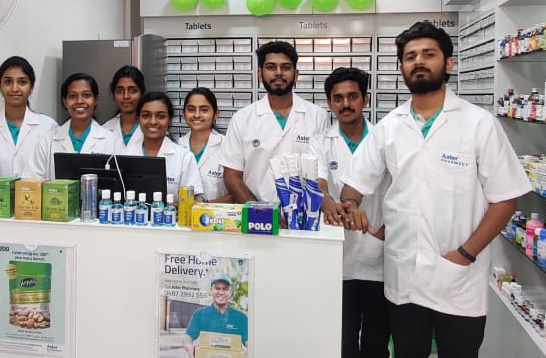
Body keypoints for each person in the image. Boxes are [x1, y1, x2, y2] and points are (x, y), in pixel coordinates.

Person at [339, 21, 530, 358]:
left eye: (429, 54)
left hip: (459, 278)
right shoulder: (389, 127)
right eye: (410, 56)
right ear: (401, 68)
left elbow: (505, 199)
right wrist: (352, 204)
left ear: (448, 63)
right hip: (404, 278)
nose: (419, 61)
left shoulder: (478, 123)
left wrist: (466, 253)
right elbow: (355, 184)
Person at [311, 67, 390, 358]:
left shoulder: (385, 138)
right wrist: (328, 201)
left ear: (365, 99)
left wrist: (385, 233)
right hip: (338, 256)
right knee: (340, 342)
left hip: (379, 257)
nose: (345, 104)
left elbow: (400, 193)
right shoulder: (321, 142)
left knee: (376, 343)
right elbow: (318, 182)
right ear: (330, 103)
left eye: (352, 96)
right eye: (338, 98)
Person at [220, 41, 328, 203]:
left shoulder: (317, 116)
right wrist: (262, 211)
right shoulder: (242, 119)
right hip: (256, 218)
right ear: (260, 73)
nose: (278, 73)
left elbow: (320, 173)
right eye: (271, 67)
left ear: (296, 74)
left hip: (304, 217)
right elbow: (232, 176)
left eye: (285, 67)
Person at [0, 56, 57, 203]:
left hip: (36, 212)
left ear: (31, 87)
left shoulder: (48, 126)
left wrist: (27, 205)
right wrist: (4, 203)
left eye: (22, 82)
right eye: (8, 82)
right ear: (0, 86)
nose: (15, 88)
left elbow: (54, 177)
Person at [27, 73, 117, 179]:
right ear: (64, 101)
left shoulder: (112, 140)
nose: (79, 101)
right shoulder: (47, 140)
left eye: (86, 95)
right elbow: (32, 181)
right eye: (72, 96)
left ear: (96, 100)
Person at [124, 92, 204, 198]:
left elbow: (193, 199)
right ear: (138, 119)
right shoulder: (125, 154)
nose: (153, 122)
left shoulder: (184, 157)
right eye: (146, 115)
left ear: (169, 121)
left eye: (161, 116)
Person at [177, 88, 232, 202]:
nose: (197, 115)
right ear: (183, 113)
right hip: (181, 217)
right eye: (191, 109)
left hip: (218, 217)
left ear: (216, 113)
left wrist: (203, 206)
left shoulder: (228, 146)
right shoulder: (176, 146)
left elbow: (237, 192)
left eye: (204, 110)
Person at [181, 275, 248, 358]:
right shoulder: (200, 314)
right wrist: (189, 347)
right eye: (217, 288)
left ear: (230, 292)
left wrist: (248, 352)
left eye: (225, 289)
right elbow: (187, 337)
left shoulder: (241, 318)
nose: (221, 292)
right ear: (211, 290)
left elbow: (248, 342)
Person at [103, 66, 146, 151]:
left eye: (132, 90)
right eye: (120, 91)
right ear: (114, 95)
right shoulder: (105, 130)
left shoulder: (153, 128)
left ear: (142, 93)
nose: (126, 96)